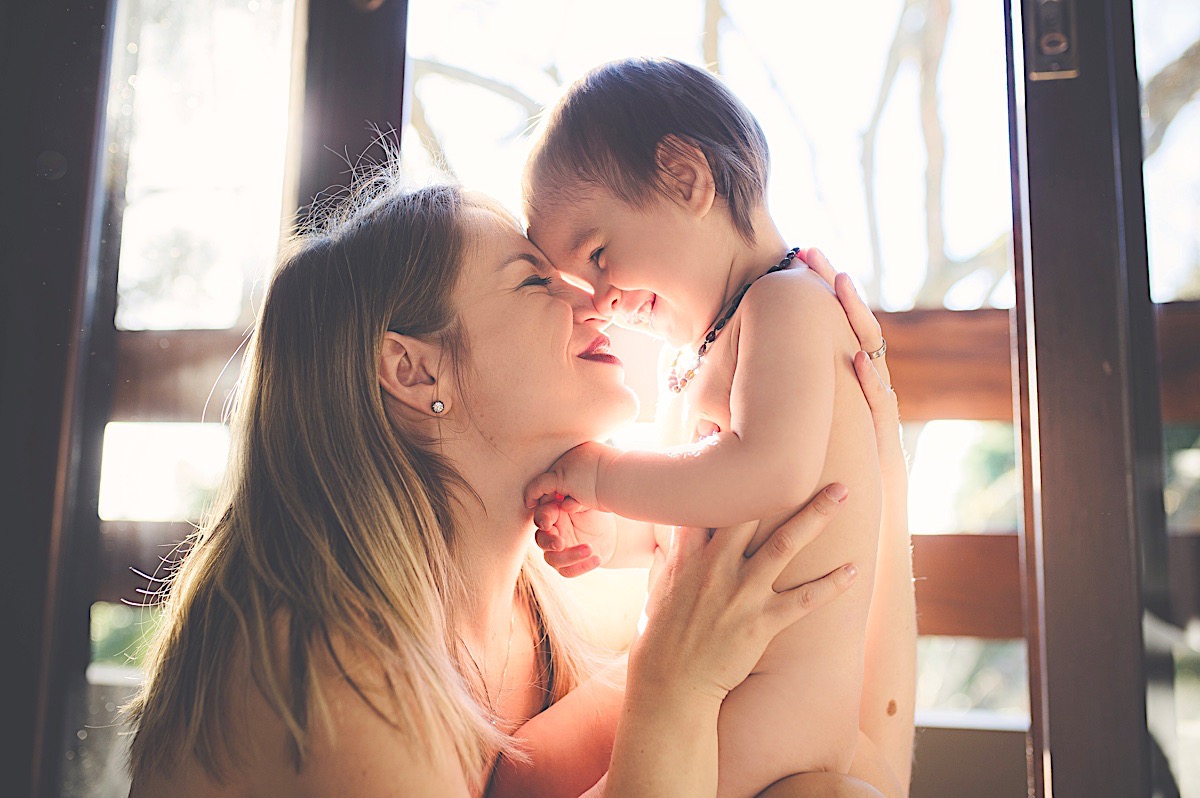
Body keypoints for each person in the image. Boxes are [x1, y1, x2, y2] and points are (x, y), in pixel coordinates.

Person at [123, 176, 909, 798]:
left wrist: (875, 461)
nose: (592, 300)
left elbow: (856, 761)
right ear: (414, 368)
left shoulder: (535, 613)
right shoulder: (328, 657)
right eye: (536, 284)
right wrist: (674, 694)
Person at [521, 57, 910, 798]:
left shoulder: (787, 302)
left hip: (776, 714)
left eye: (598, 256)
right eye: (581, 282)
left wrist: (603, 476)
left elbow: (769, 473)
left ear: (685, 177)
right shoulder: (698, 354)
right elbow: (693, 523)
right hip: (729, 695)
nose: (600, 300)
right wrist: (610, 533)